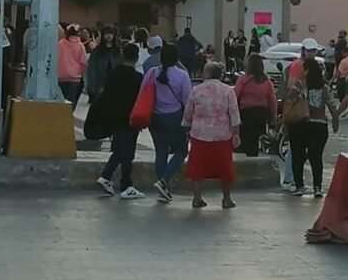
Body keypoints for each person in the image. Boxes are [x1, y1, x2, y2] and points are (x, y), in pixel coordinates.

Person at [182, 62, 241, 209]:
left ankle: (197, 197)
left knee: (197, 167)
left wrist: (187, 128)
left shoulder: (196, 90)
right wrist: (236, 134)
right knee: (224, 168)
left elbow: (188, 112)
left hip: (200, 133)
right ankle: (226, 199)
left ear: (206, 74)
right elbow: (234, 114)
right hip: (222, 135)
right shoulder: (228, 91)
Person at [141, 44, 191, 203]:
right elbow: (187, 100)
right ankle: (164, 180)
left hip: (155, 118)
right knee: (181, 151)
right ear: (177, 58)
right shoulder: (182, 75)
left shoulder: (152, 72)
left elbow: (143, 93)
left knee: (160, 152)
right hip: (174, 117)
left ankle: (164, 188)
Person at [94, 42, 145, 199]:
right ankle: (126, 185)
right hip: (129, 120)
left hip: (113, 119)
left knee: (118, 150)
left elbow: (105, 95)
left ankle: (106, 176)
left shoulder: (113, 74)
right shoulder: (138, 78)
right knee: (128, 153)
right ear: (136, 58)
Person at [285, 58, 338, 197]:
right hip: (319, 125)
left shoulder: (299, 85)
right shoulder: (324, 87)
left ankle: (299, 186)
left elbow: (289, 101)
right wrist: (335, 122)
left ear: (307, 70)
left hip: (300, 125)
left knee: (298, 155)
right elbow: (332, 106)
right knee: (316, 157)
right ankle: (317, 187)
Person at [234, 54, 276, 157]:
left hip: (246, 113)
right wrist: (273, 117)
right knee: (255, 137)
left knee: (247, 137)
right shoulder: (266, 81)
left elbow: (235, 95)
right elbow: (272, 100)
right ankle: (253, 155)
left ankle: (247, 158)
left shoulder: (243, 80)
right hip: (261, 113)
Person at [85, 25, 122, 105]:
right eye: (106, 34)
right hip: (100, 84)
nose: (109, 36)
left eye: (111, 34)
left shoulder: (118, 51)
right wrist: (91, 87)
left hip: (115, 84)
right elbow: (92, 69)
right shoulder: (97, 51)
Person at [57, 25, 89, 108]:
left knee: (60, 99)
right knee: (71, 99)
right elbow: (83, 62)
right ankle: (69, 116)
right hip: (75, 78)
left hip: (60, 76)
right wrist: (80, 72)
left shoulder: (60, 44)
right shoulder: (80, 46)